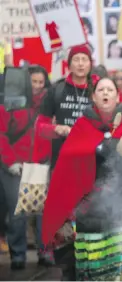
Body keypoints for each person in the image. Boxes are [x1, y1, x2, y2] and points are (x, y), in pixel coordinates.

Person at [42, 77, 122, 280]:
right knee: (94, 269)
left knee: (120, 268)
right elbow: (67, 170)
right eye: (101, 89)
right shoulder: (82, 126)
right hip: (89, 210)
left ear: (117, 95)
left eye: (110, 89)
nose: (105, 93)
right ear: (93, 96)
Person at [36, 45, 98, 280]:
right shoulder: (57, 90)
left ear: (90, 63)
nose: (81, 63)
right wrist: (58, 129)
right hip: (63, 166)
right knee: (63, 221)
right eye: (76, 59)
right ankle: (67, 270)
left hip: (92, 166)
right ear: (69, 64)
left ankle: (90, 265)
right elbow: (40, 128)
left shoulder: (98, 89)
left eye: (85, 59)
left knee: (88, 217)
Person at [0, 65, 53, 270]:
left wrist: (46, 159)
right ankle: (18, 254)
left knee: (40, 213)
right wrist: (10, 161)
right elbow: (1, 135)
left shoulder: (47, 105)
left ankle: (45, 252)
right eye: (34, 82)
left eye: (41, 82)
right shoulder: (9, 104)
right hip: (14, 166)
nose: (38, 86)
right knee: (17, 214)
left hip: (38, 164)